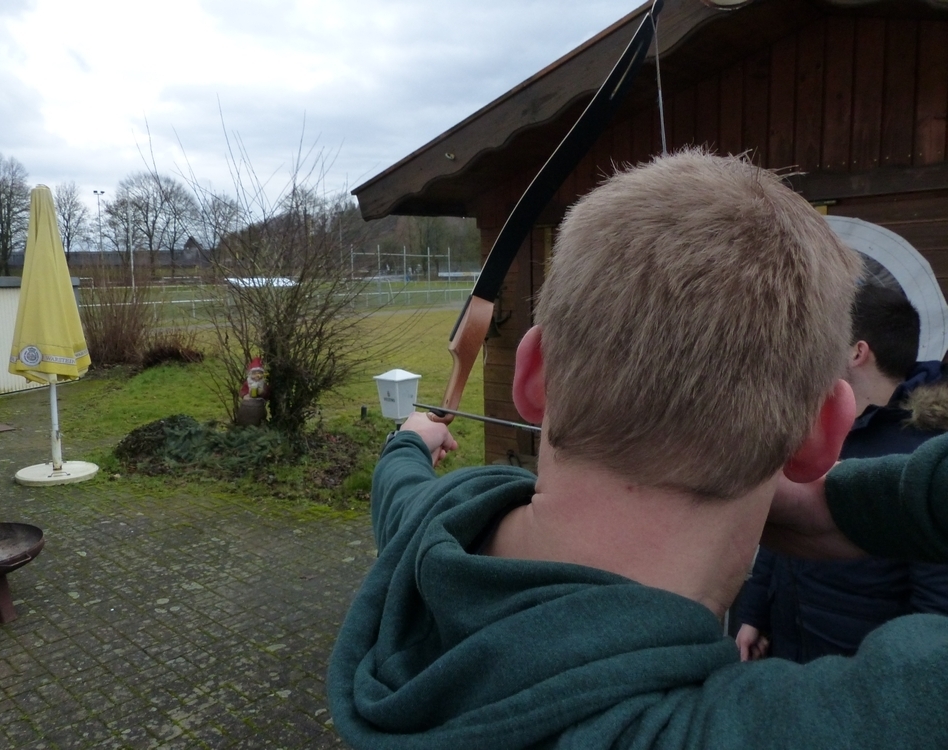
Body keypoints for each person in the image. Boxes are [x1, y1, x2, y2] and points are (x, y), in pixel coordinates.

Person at [327, 151, 948, 748]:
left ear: (533, 375)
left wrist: (407, 443)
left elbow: (402, 495)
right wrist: (880, 505)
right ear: (826, 433)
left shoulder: (433, 538)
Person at [734, 285, 948, 662]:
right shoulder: (819, 427)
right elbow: (788, 523)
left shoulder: (921, 457)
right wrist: (754, 613)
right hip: (791, 655)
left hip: (855, 673)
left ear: (856, 351)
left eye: (821, 340)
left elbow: (934, 609)